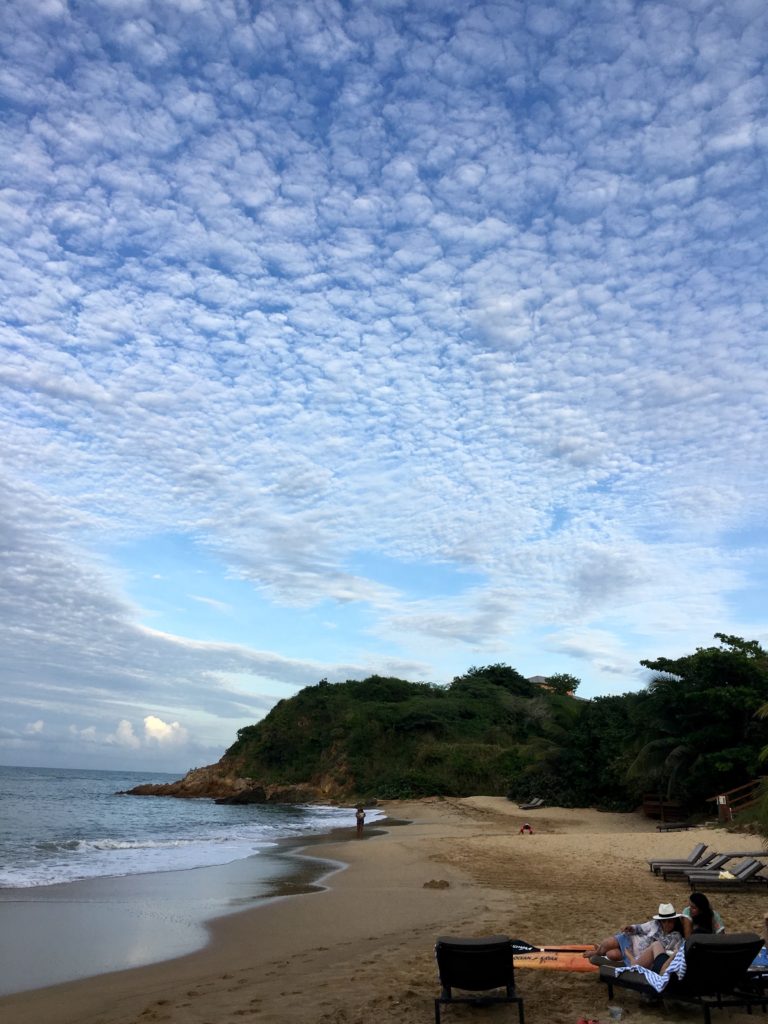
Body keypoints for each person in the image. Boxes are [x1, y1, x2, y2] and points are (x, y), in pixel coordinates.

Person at [585, 903, 685, 968]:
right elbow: (639, 928)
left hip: (638, 955)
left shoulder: (676, 937)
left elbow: (667, 954)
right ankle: (596, 952)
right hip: (632, 940)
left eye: (670, 921)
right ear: (660, 921)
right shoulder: (655, 924)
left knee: (612, 954)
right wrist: (631, 928)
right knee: (608, 943)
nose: (667, 924)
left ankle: (602, 952)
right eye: (664, 922)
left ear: (674, 921)